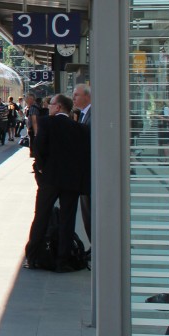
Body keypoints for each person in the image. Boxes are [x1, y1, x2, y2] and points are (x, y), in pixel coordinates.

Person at [24, 94, 90, 271]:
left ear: (59, 107)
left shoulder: (46, 123)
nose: (49, 107)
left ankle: (33, 256)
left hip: (49, 181)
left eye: (51, 104)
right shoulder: (81, 128)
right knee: (67, 220)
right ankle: (63, 260)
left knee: (41, 217)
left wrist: (42, 169)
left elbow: (38, 148)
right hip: (72, 182)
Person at [72, 83, 93, 242]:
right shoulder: (84, 114)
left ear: (87, 96)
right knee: (87, 214)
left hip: (89, 174)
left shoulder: (93, 114)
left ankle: (96, 247)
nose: (73, 98)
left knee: (90, 213)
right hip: (86, 174)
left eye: (76, 95)